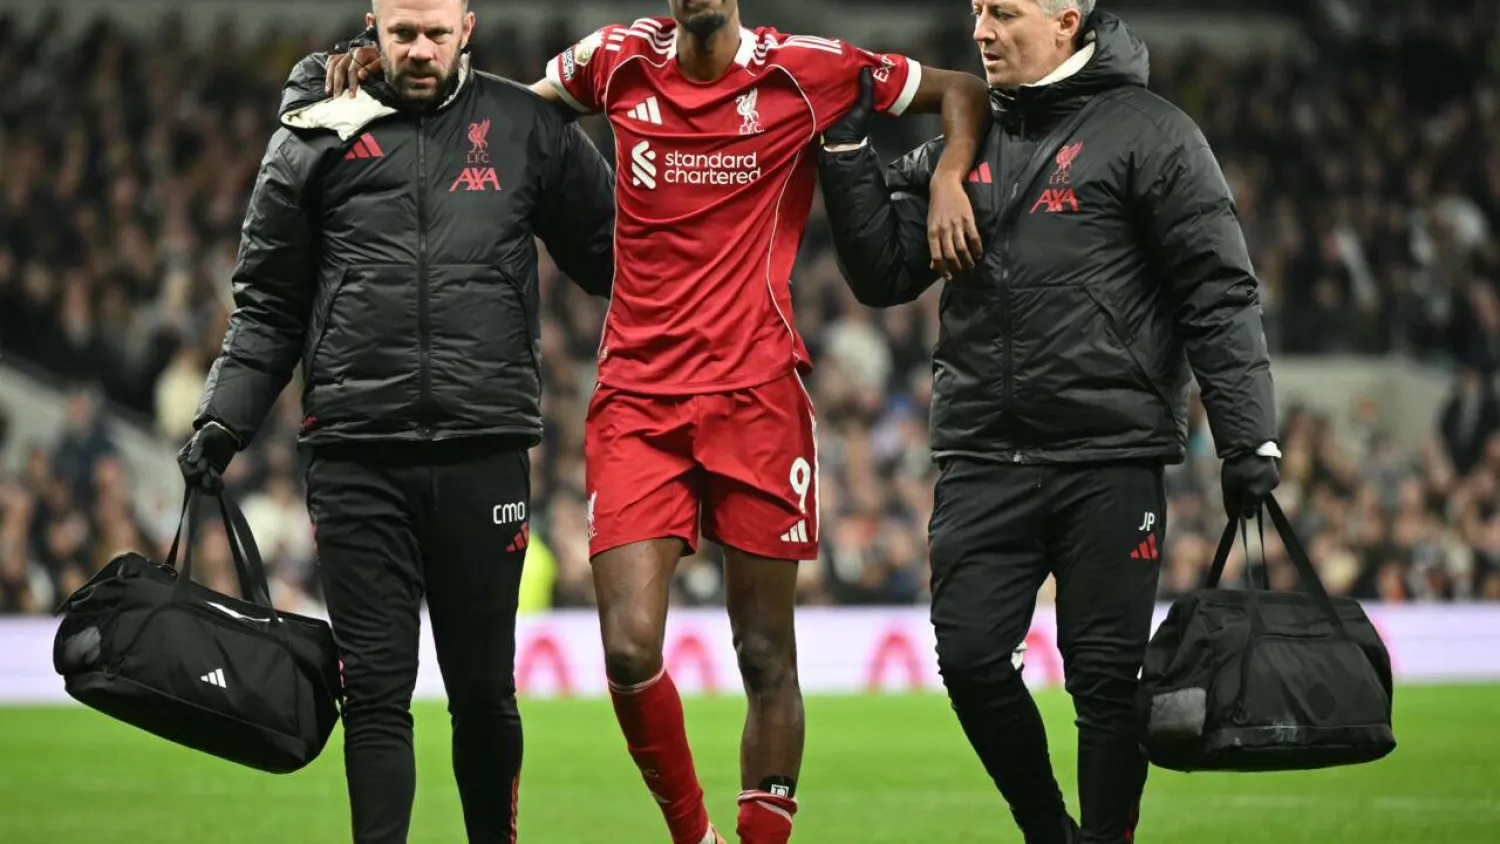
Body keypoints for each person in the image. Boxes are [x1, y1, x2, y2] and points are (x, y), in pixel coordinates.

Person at [323, 2, 990, 841]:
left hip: (757, 397)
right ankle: (693, 835)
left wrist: (947, 176)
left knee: (764, 656)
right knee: (631, 650)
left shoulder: (805, 68)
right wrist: (382, 77)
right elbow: (503, 112)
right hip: (639, 397)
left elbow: (964, 90)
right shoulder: (616, 60)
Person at [814, 2, 1281, 843]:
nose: (982, 31)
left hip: (1110, 453)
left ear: (1068, 18)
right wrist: (848, 150)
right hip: (983, 454)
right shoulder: (963, 144)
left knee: (1106, 685)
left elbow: (1218, 290)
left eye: (1004, 12)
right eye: (975, 12)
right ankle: (1046, 830)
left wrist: (1249, 437)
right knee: (967, 658)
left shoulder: (1154, 133)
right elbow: (884, 272)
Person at [175, 0, 616, 841]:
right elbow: (268, 305)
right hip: (354, 459)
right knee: (376, 696)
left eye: (435, 34)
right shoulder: (314, 132)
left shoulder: (527, 126)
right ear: (372, 27)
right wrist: (221, 422)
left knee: (484, 691)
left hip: (484, 451)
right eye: (402, 33)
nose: (419, 50)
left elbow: (619, 259)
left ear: (468, 28)